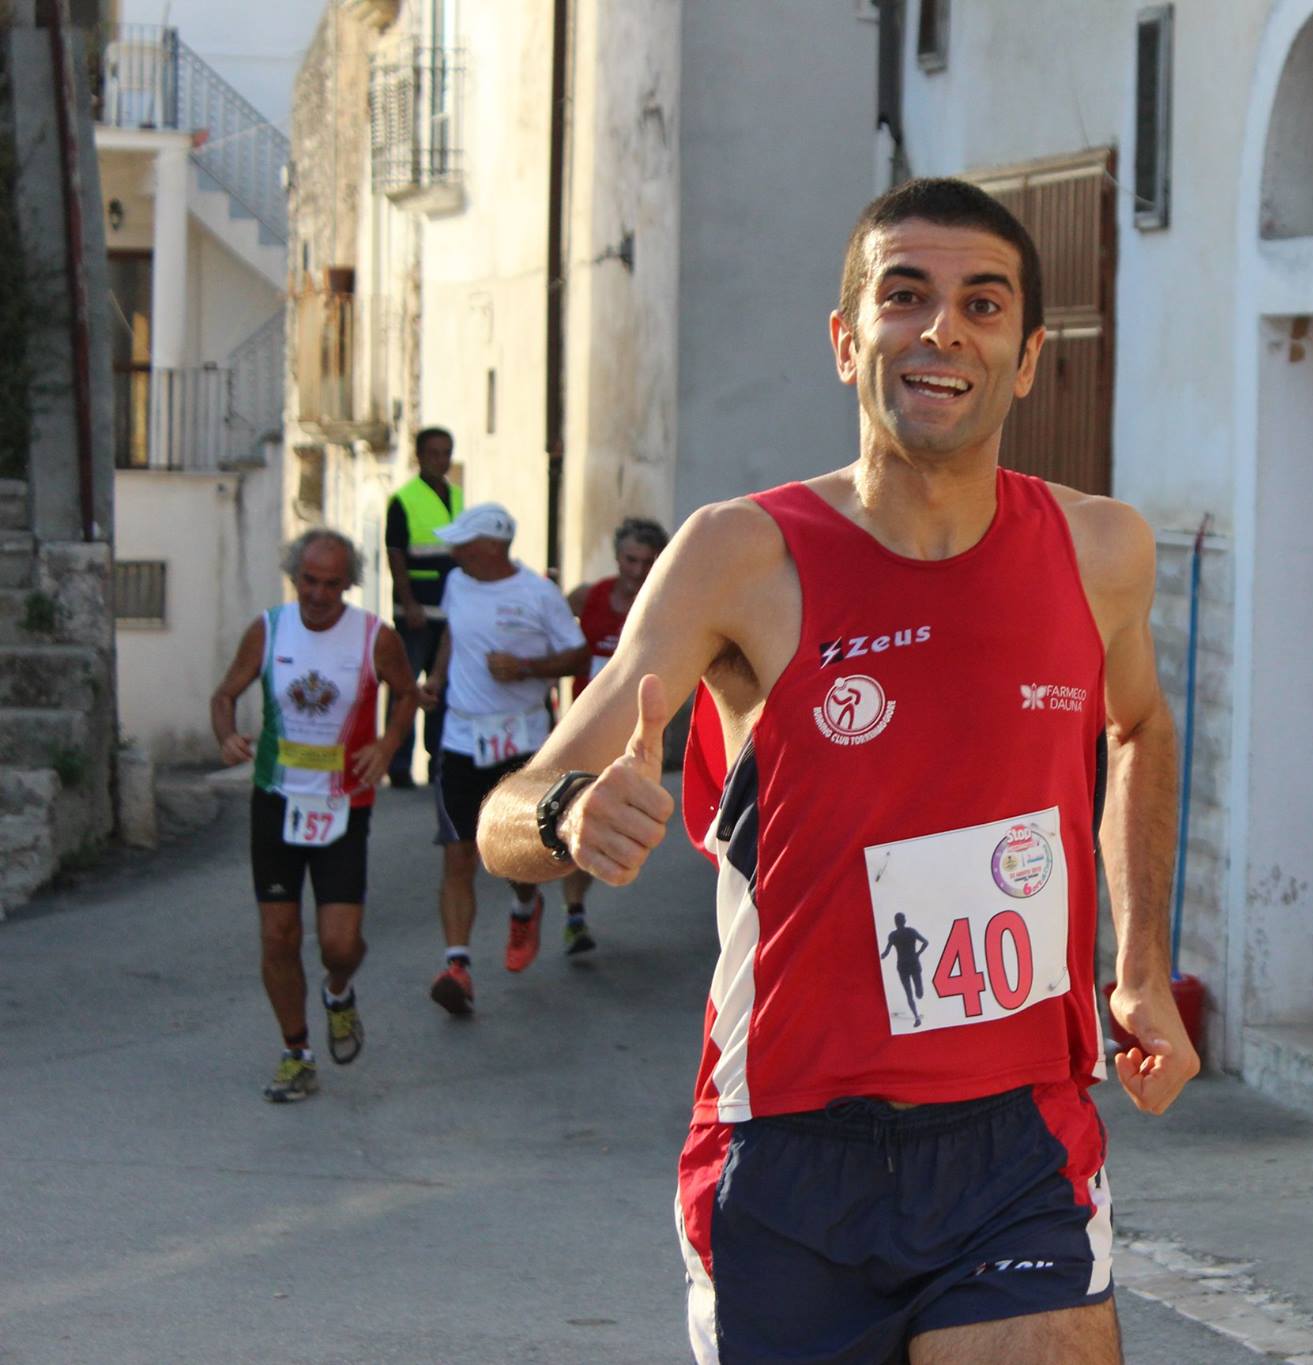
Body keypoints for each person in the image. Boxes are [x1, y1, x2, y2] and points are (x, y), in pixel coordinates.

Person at [478, 178, 1197, 1364]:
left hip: (1016, 1140)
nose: (940, 332)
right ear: (845, 338)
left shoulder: (1097, 551)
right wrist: (566, 819)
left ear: (1023, 360)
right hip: (787, 1155)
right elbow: (509, 805)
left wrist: (1142, 969)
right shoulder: (738, 555)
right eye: (904, 296)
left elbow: (1140, 729)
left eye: (981, 305)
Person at [209, 529, 417, 1102]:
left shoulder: (375, 637)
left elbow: (407, 692)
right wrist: (226, 736)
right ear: (294, 577)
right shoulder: (269, 629)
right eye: (309, 581)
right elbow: (224, 695)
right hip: (277, 800)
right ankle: (296, 1052)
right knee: (278, 936)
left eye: (331, 583)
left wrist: (389, 742)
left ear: (347, 584)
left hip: (344, 803)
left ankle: (339, 990)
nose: (319, 595)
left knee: (339, 945)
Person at [419, 503, 588, 1015]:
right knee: (458, 853)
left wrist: (526, 668)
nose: (453, 553)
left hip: (520, 739)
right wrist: (438, 678)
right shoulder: (458, 584)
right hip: (461, 740)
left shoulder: (538, 594)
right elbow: (452, 633)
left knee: (513, 852)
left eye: (462, 545)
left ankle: (524, 905)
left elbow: (578, 655)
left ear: (491, 547)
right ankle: (457, 966)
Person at [556, 516, 671, 956]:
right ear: (617, 557)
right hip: (582, 727)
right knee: (576, 814)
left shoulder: (664, 604)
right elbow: (560, 646)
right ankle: (574, 914)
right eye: (630, 560)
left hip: (634, 738)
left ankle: (576, 905)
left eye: (647, 561)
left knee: (605, 822)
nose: (637, 571)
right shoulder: (589, 598)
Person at [384, 426, 463, 787]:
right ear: (419, 456)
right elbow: (396, 555)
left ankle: (438, 763)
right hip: (415, 611)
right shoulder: (403, 500)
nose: (440, 460)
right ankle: (398, 764)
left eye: (446, 452)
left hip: (448, 612)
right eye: (433, 453)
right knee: (406, 686)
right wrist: (409, 603)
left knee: (443, 689)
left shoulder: (457, 497)